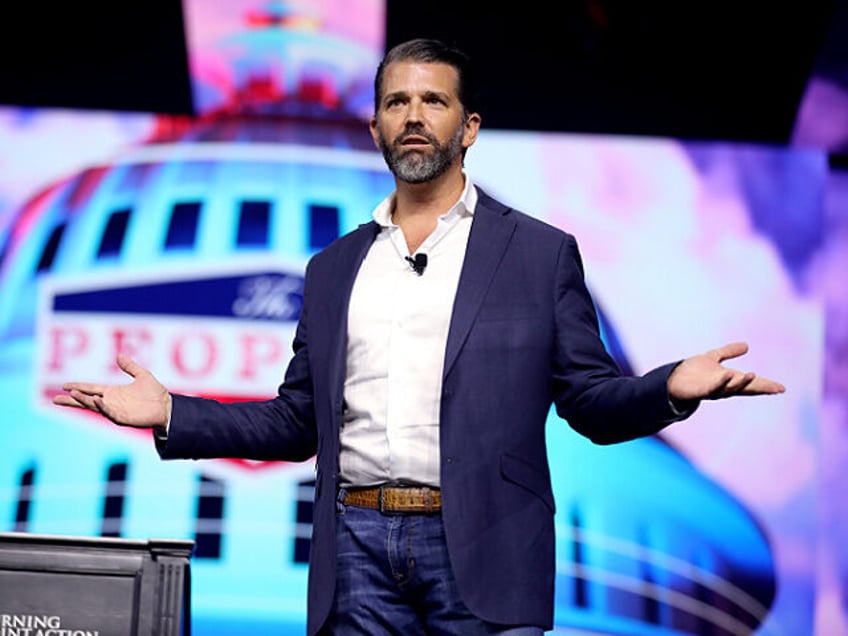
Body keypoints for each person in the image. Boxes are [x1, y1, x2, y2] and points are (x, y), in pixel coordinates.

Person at [54, 38, 785, 635]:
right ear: (374, 127)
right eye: (396, 102)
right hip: (359, 550)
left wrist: (670, 390)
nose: (413, 116)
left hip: (484, 551)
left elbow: (590, 403)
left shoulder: (537, 254)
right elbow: (294, 422)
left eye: (433, 100)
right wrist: (173, 413)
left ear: (468, 127)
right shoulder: (335, 267)